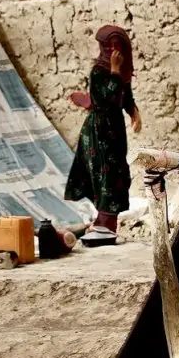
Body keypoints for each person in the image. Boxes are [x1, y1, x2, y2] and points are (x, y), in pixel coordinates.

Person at [64, 25, 142, 235]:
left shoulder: (122, 69)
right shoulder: (99, 71)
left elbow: (124, 96)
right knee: (106, 175)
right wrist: (115, 71)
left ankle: (104, 222)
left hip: (114, 130)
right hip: (99, 131)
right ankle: (105, 225)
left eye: (118, 45)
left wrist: (134, 111)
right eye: (110, 45)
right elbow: (104, 101)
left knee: (117, 175)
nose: (114, 49)